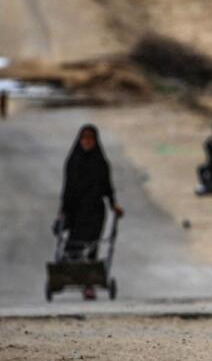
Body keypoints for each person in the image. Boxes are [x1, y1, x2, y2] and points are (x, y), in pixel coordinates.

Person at [59, 124, 123, 300]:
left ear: (95, 141)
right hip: (75, 211)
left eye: (90, 139)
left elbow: (107, 187)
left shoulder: (101, 162)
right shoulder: (73, 161)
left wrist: (114, 204)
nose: (87, 142)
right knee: (74, 245)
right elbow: (67, 188)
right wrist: (63, 209)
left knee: (92, 246)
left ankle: (88, 285)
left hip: (95, 211)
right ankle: (67, 275)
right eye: (84, 139)